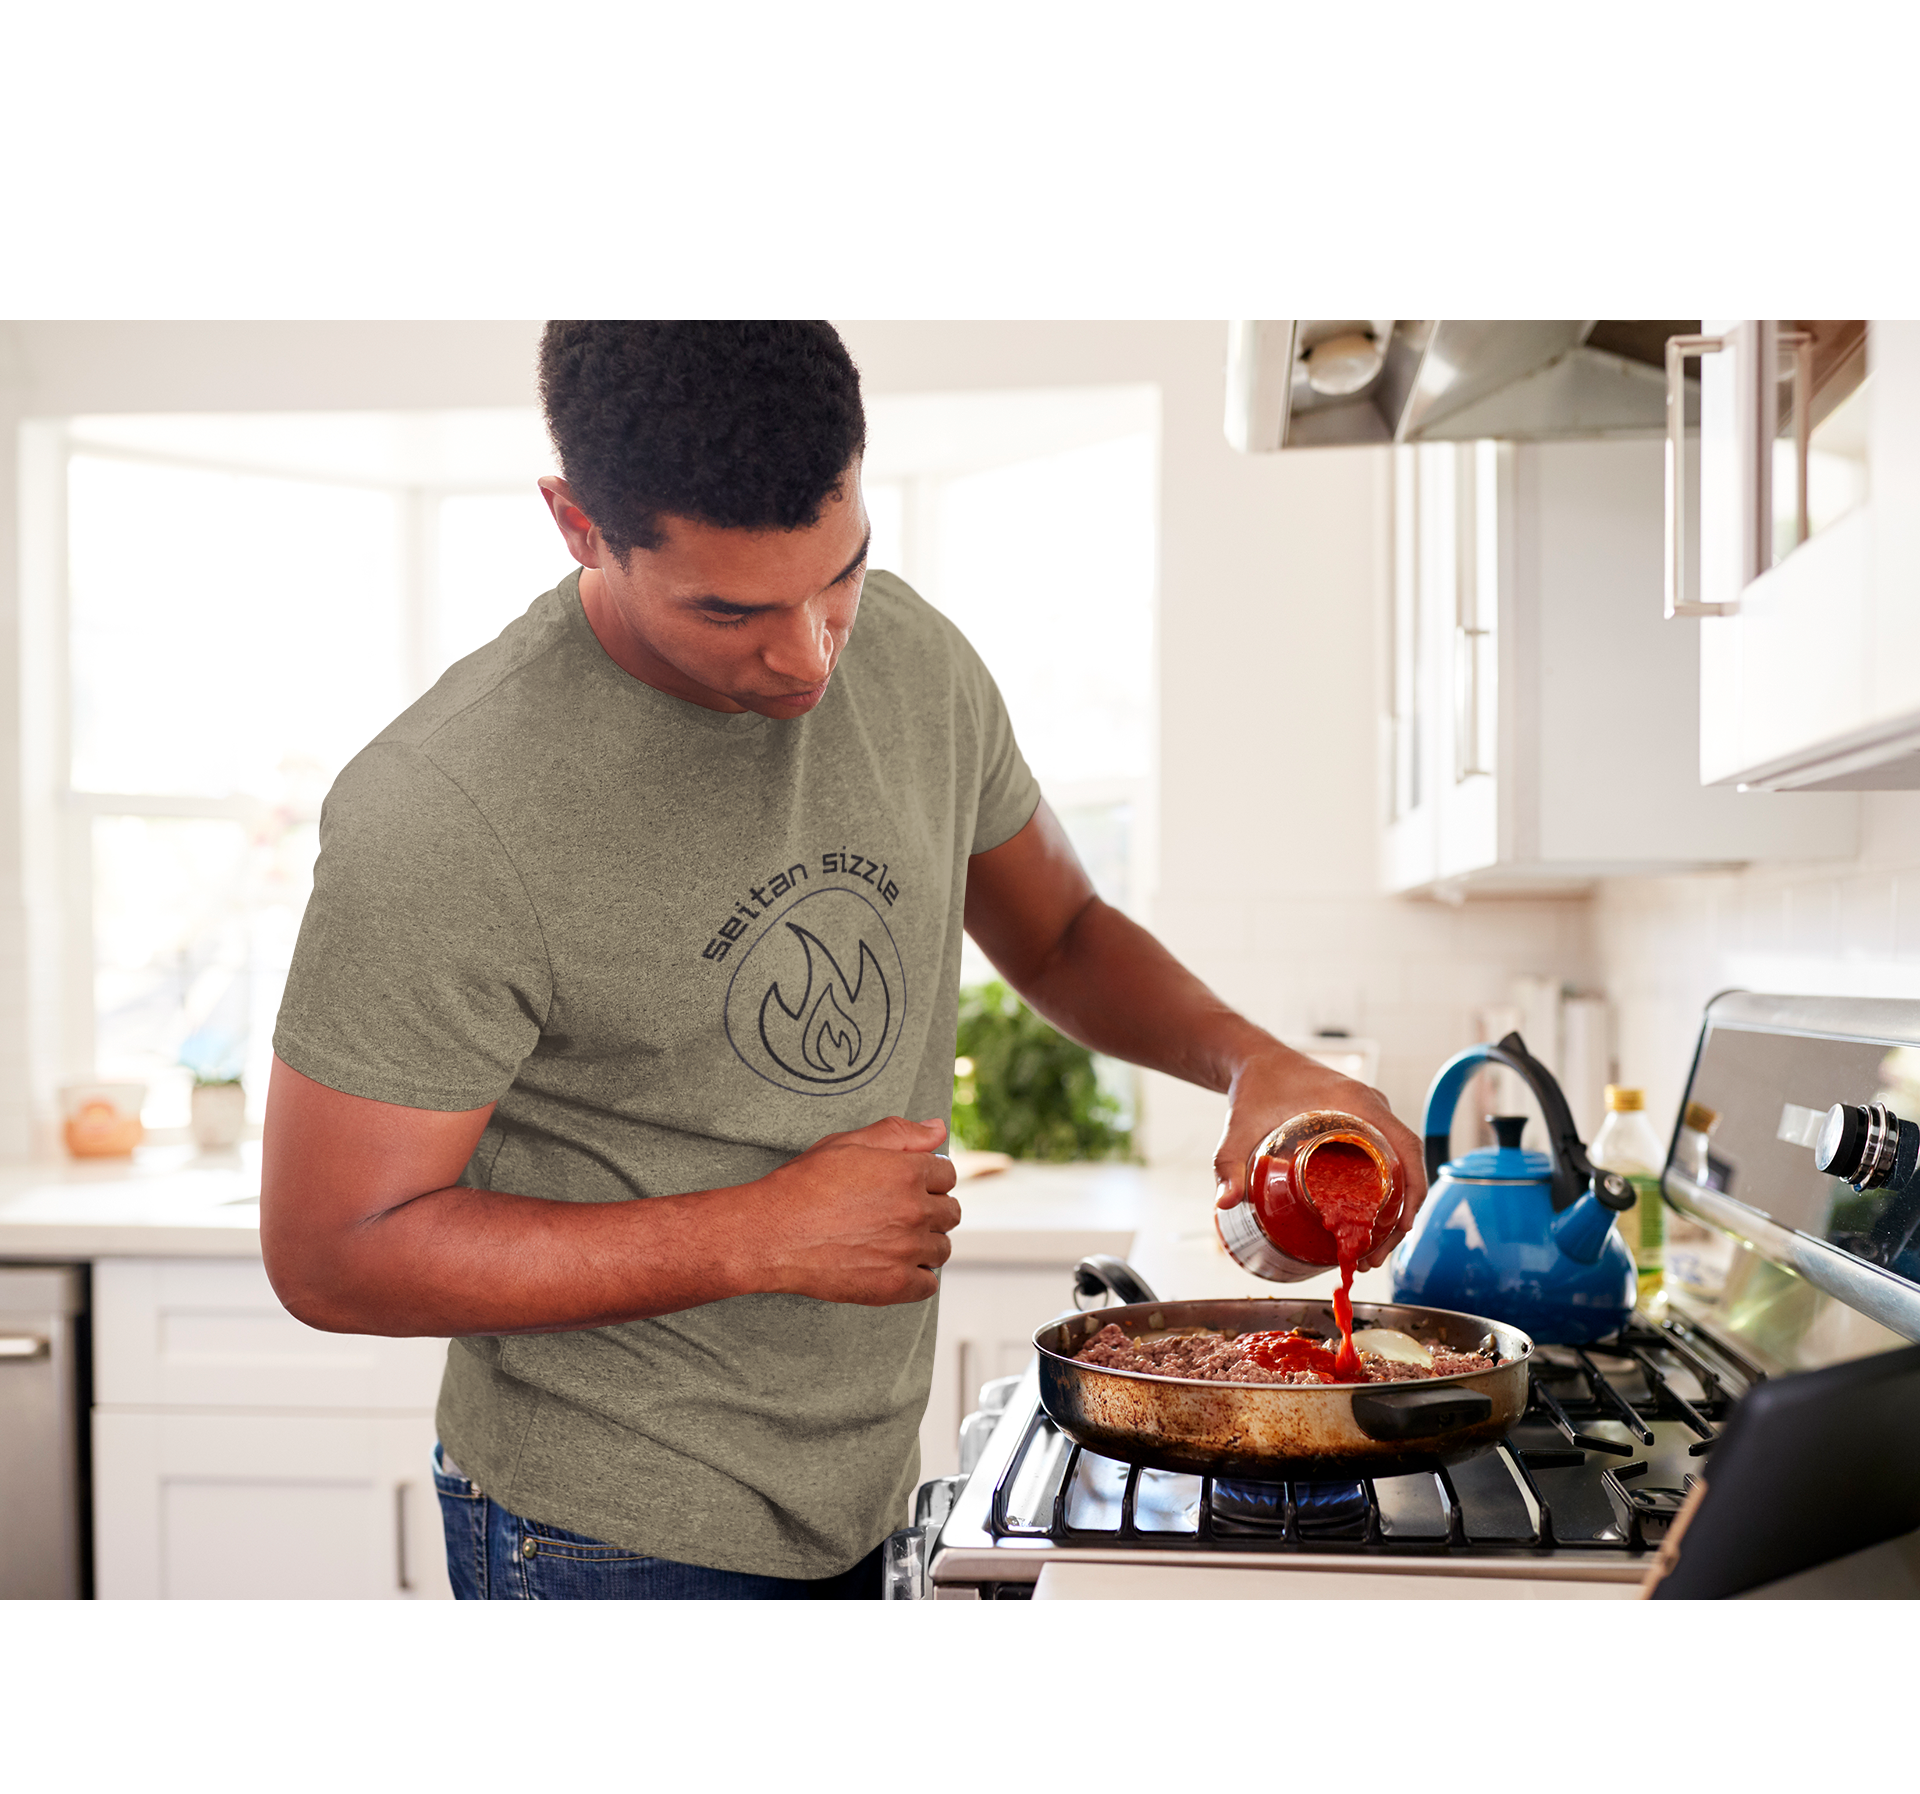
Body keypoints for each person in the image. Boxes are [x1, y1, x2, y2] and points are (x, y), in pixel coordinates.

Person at [260, 320, 1426, 1600]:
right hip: (607, 1526)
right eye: (731, 609)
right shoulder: (443, 807)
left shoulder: (916, 660)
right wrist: (759, 1233)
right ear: (577, 524)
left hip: (865, 1488)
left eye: (840, 575)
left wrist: (1252, 1061)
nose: (810, 652)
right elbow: (332, 1251)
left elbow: (1061, 932)